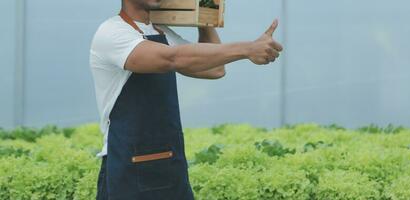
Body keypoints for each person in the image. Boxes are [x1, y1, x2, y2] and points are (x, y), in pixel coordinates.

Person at [89, 0, 283, 199]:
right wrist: (247, 48)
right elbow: (171, 59)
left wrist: (203, 17)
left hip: (170, 165)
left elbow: (215, 69)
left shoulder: (161, 32)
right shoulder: (112, 32)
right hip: (126, 170)